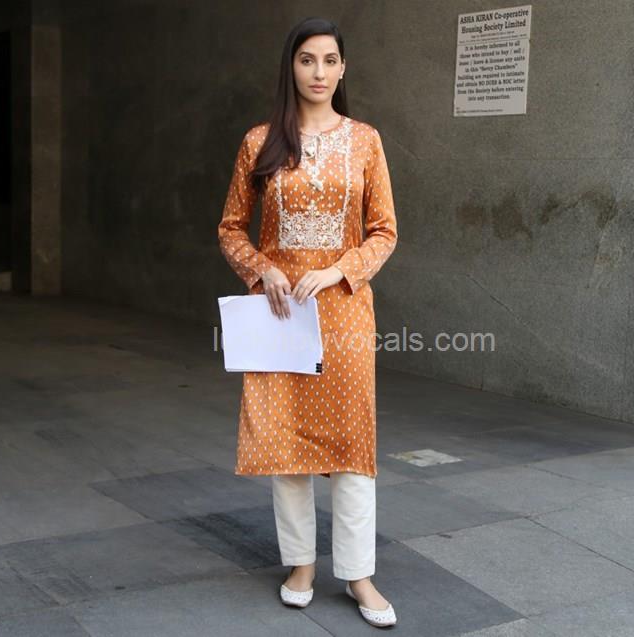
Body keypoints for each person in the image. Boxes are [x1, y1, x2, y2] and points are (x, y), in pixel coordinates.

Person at [217, 16, 398, 628]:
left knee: (352, 443)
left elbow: (384, 232)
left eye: (330, 60)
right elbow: (230, 228)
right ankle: (300, 566)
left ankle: (359, 575)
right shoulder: (259, 142)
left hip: (344, 312)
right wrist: (261, 269)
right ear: (290, 67)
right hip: (281, 315)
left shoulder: (366, 141)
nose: (319, 72)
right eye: (307, 60)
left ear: (343, 69)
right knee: (286, 441)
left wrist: (340, 269)